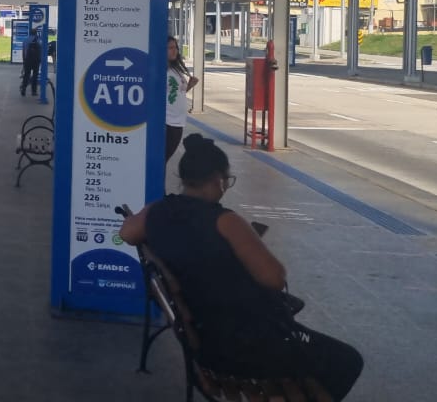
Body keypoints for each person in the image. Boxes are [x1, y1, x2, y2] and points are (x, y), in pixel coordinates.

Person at [120, 134, 362, 400]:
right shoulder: (226, 222)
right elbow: (275, 279)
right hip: (242, 347)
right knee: (346, 360)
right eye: (227, 181)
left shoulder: (157, 211)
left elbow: (128, 233)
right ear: (218, 180)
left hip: (204, 340)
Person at [165, 35, 200, 162]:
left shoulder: (176, 69)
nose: (175, 51)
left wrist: (190, 85)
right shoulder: (161, 71)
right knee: (162, 159)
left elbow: (179, 93)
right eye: (170, 48)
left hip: (178, 121)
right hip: (167, 122)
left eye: (175, 48)